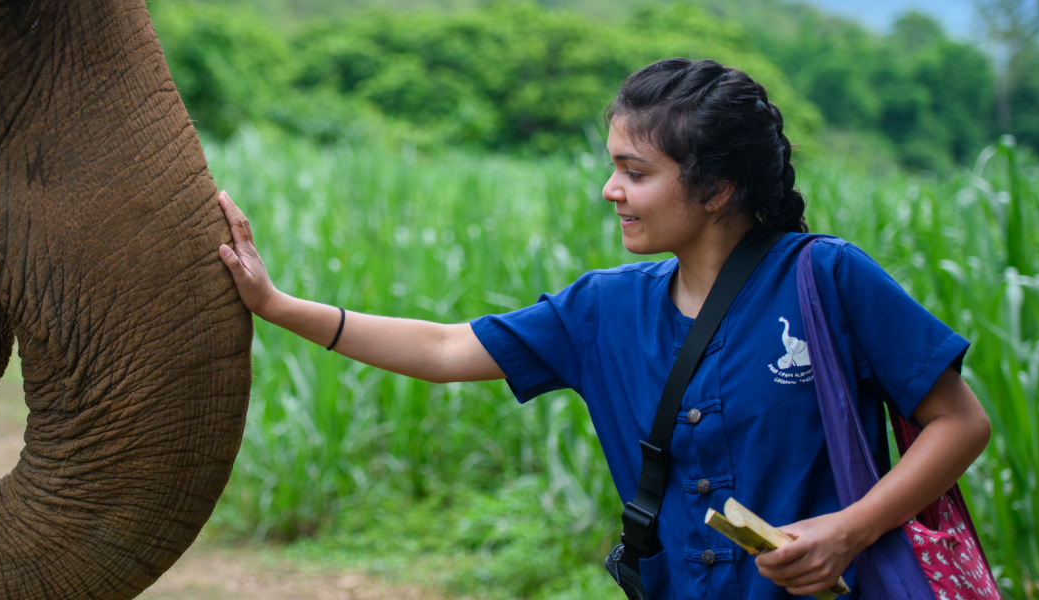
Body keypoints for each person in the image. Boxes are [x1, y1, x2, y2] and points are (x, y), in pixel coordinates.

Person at [214, 58, 991, 599]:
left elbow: (959, 423)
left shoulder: (826, 280)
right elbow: (447, 349)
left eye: (636, 172)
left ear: (717, 186)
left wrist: (848, 532)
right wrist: (278, 305)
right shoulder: (604, 308)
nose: (609, 189)